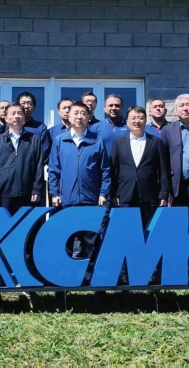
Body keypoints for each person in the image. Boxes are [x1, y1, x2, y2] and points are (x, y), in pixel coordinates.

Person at [49, 102, 110, 263]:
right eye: (75, 113)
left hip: (91, 198)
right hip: (67, 199)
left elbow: (105, 170)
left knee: (90, 238)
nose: (79, 117)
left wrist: (103, 193)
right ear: (68, 117)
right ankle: (67, 275)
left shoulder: (97, 140)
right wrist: (54, 193)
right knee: (68, 237)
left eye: (83, 113)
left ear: (89, 117)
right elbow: (54, 170)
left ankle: (89, 274)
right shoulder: (60, 140)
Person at [110, 105, 169, 229]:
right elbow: (114, 170)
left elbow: (163, 170)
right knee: (126, 229)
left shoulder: (156, 142)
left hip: (149, 194)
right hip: (125, 194)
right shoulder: (119, 142)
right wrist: (114, 194)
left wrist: (163, 193)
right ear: (127, 121)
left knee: (148, 229)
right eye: (133, 118)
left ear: (146, 121)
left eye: (141, 118)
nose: (137, 121)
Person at [0, 103, 44, 212]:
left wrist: (37, 190)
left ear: (24, 118)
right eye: (13, 113)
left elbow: (39, 167)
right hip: (3, 194)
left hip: (28, 194)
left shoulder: (34, 139)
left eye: (20, 113)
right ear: (6, 118)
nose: (16, 116)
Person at [16, 91, 50, 163]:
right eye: (23, 103)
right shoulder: (10, 126)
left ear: (34, 107)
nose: (26, 106)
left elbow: (44, 151)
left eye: (30, 103)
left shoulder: (40, 127)